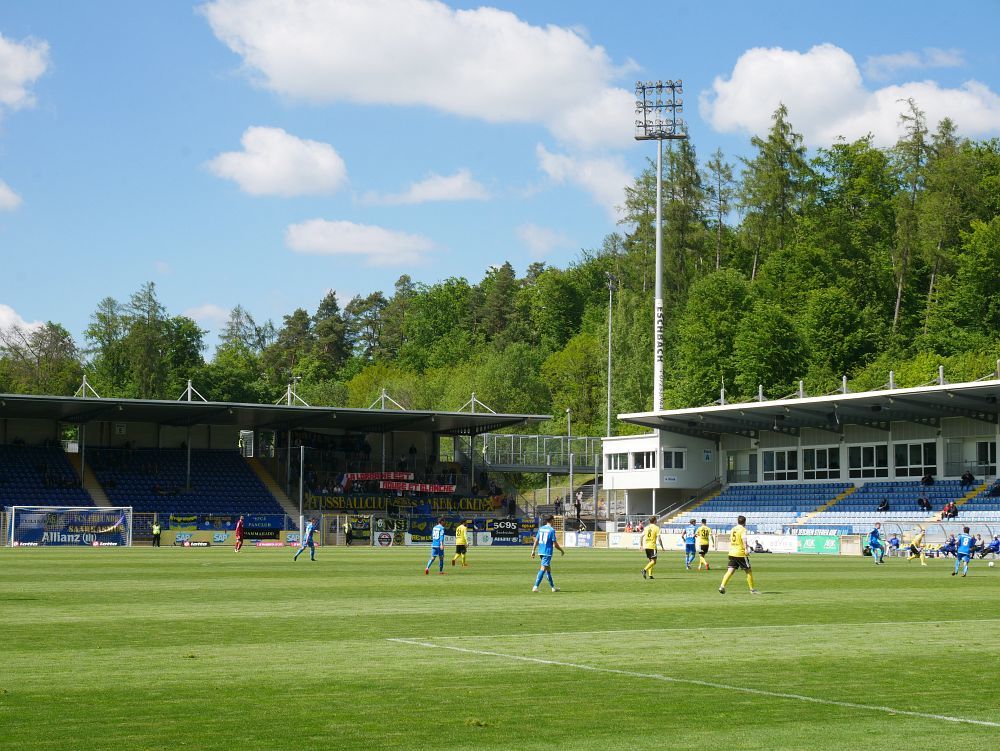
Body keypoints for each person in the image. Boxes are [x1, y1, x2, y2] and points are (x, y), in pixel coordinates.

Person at [719, 515, 759, 595]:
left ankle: (722, 586)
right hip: (740, 553)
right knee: (748, 571)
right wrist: (746, 549)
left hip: (732, 552)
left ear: (738, 521)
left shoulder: (733, 529)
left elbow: (731, 539)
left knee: (730, 571)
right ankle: (752, 589)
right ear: (745, 522)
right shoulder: (743, 529)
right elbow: (744, 540)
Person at [530, 514, 564, 592]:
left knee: (548, 569)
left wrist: (533, 551)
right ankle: (535, 587)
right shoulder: (551, 530)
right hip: (547, 552)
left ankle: (553, 588)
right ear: (551, 520)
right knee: (543, 568)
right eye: (554, 520)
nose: (554, 521)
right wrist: (562, 550)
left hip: (541, 551)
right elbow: (555, 544)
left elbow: (536, 540)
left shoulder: (541, 528)